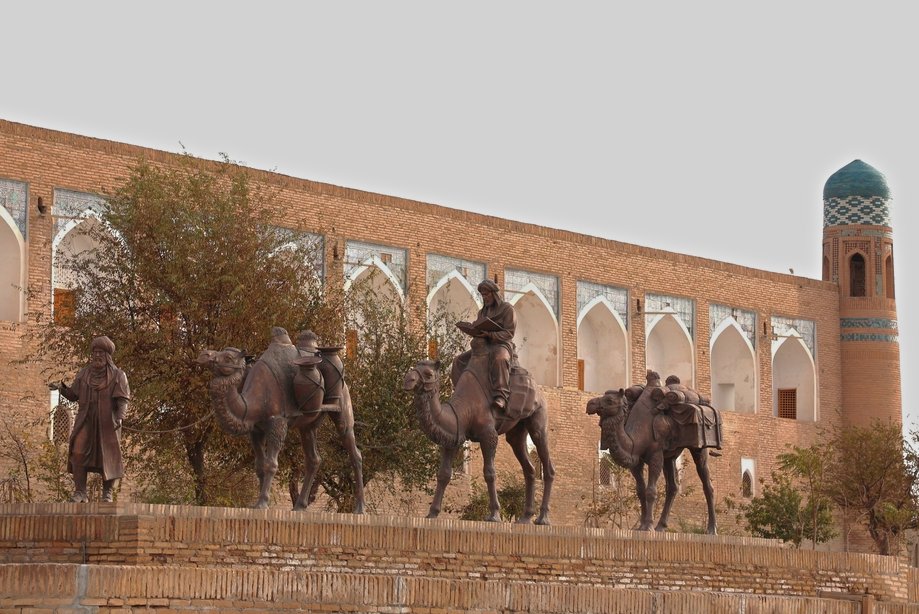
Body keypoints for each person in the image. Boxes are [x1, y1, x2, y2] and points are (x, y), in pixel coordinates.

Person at [51, 336, 130, 503]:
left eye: (101, 352)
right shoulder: (84, 374)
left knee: (107, 456)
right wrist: (61, 388)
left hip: (107, 422)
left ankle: (107, 493)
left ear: (107, 355)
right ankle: (80, 492)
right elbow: (74, 395)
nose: (97, 355)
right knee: (78, 451)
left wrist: (120, 417)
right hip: (86, 419)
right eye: (95, 352)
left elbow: (123, 399)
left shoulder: (118, 375)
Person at [454, 279, 517, 411]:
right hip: (485, 346)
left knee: (500, 358)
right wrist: (473, 330)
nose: (484, 297)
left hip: (501, 344)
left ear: (494, 294)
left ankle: (501, 396)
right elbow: (480, 327)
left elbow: (509, 333)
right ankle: (461, 394)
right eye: (482, 295)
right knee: (458, 361)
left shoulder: (507, 309)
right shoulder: (482, 312)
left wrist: (490, 334)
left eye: (486, 294)